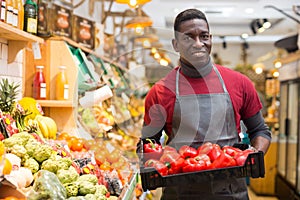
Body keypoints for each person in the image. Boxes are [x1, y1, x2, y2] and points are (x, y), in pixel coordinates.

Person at [137, 8, 272, 200]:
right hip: (179, 193)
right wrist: (149, 162)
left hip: (231, 191)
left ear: (211, 39)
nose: (198, 43)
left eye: (204, 36)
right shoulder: (159, 92)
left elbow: (260, 130)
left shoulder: (239, 83)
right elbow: (149, 143)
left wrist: (253, 155)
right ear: (175, 44)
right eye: (188, 37)